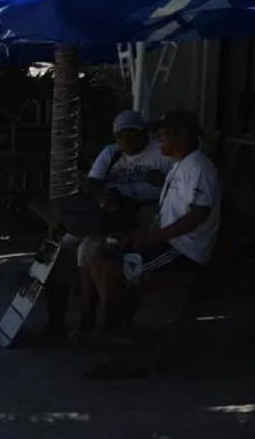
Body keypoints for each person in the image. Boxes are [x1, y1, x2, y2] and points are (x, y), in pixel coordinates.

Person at [81, 110, 221, 343]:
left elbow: (199, 214)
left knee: (113, 266)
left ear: (184, 135)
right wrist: (143, 235)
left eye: (164, 136)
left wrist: (154, 237)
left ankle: (113, 329)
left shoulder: (199, 167)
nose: (159, 141)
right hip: (167, 242)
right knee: (101, 253)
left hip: (183, 250)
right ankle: (111, 326)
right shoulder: (179, 165)